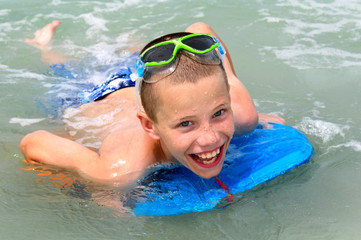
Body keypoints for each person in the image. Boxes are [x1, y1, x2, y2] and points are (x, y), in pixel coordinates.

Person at [20, 21, 284, 184]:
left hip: (147, 80)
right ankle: (43, 46)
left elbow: (200, 30)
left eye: (219, 113)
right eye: (186, 124)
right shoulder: (119, 167)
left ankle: (129, 40)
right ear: (150, 127)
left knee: (151, 59)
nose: (209, 138)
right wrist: (83, 186)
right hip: (91, 97)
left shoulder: (244, 115)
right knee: (64, 69)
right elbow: (33, 142)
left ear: (227, 100)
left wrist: (256, 118)